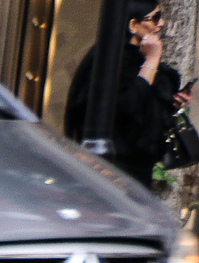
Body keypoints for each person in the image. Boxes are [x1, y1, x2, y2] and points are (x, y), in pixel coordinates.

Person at [66, 1, 188, 189]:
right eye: (154, 18)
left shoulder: (141, 60)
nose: (161, 23)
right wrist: (152, 59)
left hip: (140, 167)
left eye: (160, 17)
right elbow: (127, 106)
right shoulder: (114, 61)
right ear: (133, 25)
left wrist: (172, 104)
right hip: (117, 167)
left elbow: (145, 113)